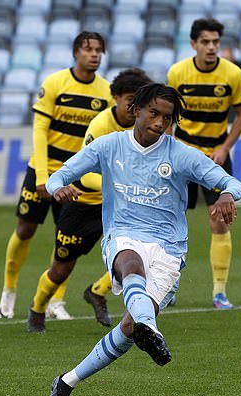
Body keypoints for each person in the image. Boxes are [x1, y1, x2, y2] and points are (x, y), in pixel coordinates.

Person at [42, 83, 241, 396]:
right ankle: (150, 328)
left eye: (167, 117)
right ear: (136, 110)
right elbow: (60, 174)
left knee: (127, 328)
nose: (159, 122)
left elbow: (233, 183)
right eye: (153, 113)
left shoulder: (180, 154)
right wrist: (58, 188)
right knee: (129, 262)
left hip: (168, 249)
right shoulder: (109, 146)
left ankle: (67, 381)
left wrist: (225, 195)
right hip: (122, 235)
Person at [0, 31, 113, 321]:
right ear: (76, 52)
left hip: (75, 175)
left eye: (99, 49)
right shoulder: (54, 83)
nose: (94, 54)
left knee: (64, 238)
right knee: (25, 230)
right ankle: (9, 290)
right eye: (88, 49)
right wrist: (42, 175)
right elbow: (39, 130)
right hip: (43, 169)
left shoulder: (107, 92)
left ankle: (55, 301)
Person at [26, 68, 153, 332]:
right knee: (60, 269)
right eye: (130, 98)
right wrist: (117, 185)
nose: (134, 106)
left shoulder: (148, 128)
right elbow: (84, 174)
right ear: (115, 97)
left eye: (140, 100)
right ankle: (38, 308)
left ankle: (98, 292)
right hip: (85, 203)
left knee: (140, 257)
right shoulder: (101, 125)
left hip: (121, 206)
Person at [166, 18, 241, 309]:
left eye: (216, 42)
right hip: (182, 156)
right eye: (206, 42)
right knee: (170, 222)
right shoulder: (178, 73)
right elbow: (167, 115)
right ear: (194, 44)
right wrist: (167, 150)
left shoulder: (232, 74)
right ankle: (169, 285)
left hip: (216, 158)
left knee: (219, 221)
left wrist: (225, 148)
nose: (212, 47)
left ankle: (219, 292)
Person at [220, 45, 241, 122]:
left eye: (228, 59)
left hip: (237, 119)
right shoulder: (214, 76)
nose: (226, 62)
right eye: (224, 59)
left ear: (233, 59)